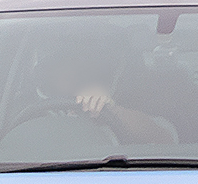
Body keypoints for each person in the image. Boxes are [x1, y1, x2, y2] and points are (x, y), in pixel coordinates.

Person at [27, 43, 179, 145]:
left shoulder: (129, 104)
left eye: (79, 62)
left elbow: (167, 139)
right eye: (58, 63)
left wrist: (110, 110)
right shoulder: (29, 112)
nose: (75, 69)